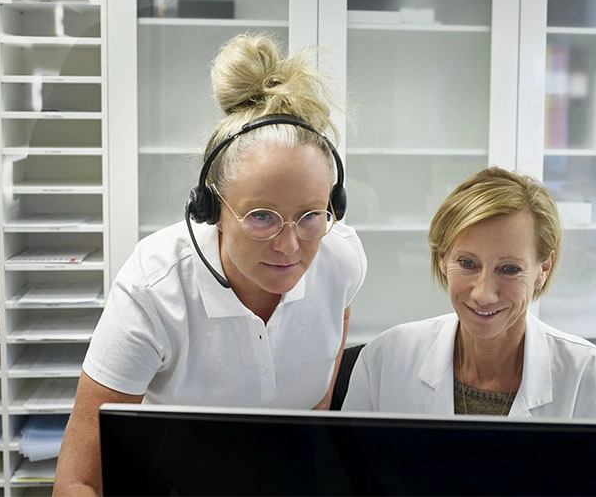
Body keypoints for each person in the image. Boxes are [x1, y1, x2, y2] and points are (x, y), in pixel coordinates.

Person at [53, 33, 367, 496]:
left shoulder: (339, 259)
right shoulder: (154, 286)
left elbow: (315, 407)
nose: (289, 245)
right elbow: (77, 480)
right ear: (211, 209)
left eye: (310, 215)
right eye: (262, 216)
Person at [342, 166, 596, 420]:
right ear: (442, 259)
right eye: (467, 263)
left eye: (510, 269)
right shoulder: (385, 361)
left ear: (544, 267)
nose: (484, 294)